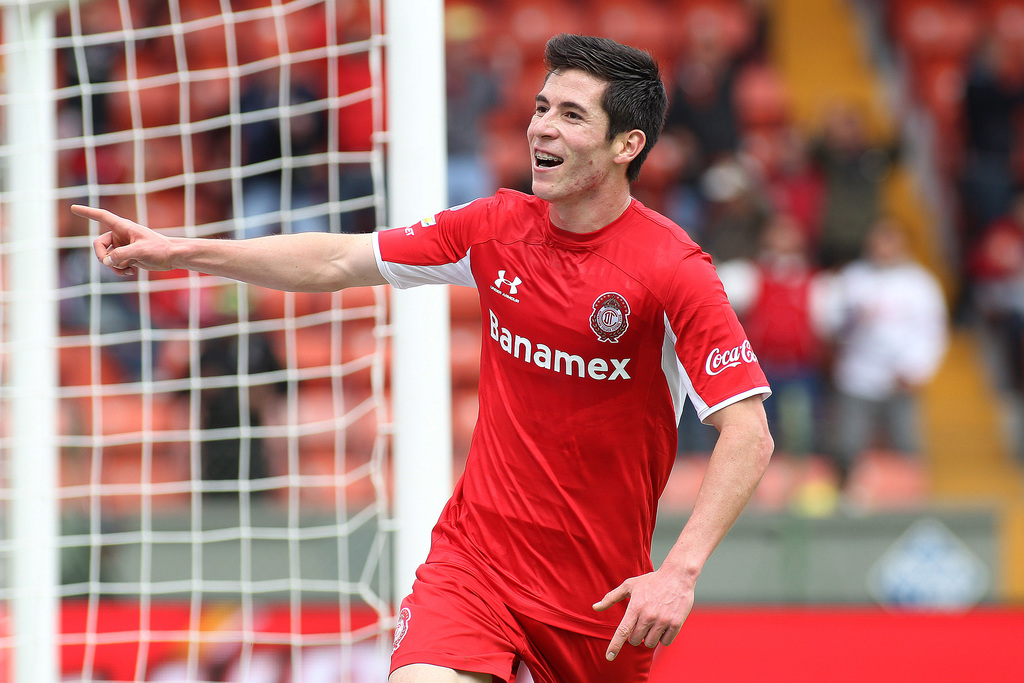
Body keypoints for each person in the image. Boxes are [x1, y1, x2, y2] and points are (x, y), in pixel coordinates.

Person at [75, 34, 773, 683]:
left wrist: (679, 571)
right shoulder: (497, 227)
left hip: (597, 604)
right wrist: (180, 250)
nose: (542, 128)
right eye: (540, 108)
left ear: (628, 144)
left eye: (570, 115)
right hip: (475, 569)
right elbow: (337, 258)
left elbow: (749, 433)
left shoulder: (673, 270)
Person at [824, 217, 948, 488]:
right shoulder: (852, 278)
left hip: (899, 381)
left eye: (891, 239)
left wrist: (917, 369)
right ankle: (847, 501)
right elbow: (830, 323)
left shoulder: (920, 283)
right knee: (847, 448)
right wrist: (852, 320)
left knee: (907, 450)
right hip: (857, 378)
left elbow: (933, 331)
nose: (884, 246)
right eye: (879, 239)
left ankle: (910, 503)